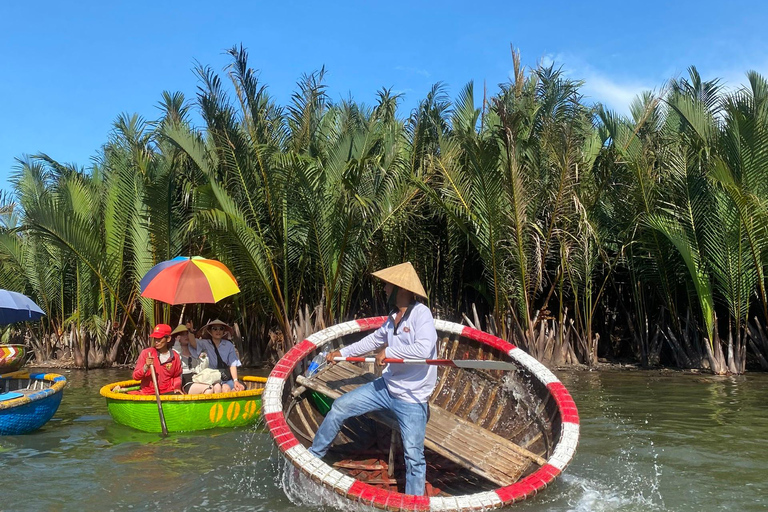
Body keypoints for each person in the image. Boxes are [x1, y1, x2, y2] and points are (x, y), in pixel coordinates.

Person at [308, 262, 437, 496]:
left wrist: (390, 353)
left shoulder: (421, 314)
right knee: (339, 407)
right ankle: (313, 456)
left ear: (402, 289)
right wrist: (342, 354)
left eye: (388, 285)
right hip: (386, 388)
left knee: (414, 456)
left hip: (412, 398)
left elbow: (425, 349)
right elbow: (373, 341)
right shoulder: (392, 318)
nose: (385, 289)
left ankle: (414, 503)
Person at [184, 319, 245, 393]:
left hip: (225, 377)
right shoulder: (204, 344)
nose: (218, 331)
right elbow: (193, 343)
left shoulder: (229, 345)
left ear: (224, 331)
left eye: (221, 329)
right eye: (214, 329)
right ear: (210, 331)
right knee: (225, 388)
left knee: (240, 388)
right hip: (212, 378)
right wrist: (190, 331)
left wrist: (235, 381)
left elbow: (232, 364)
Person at [131, 323, 182, 395]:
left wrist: (177, 387)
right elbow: (135, 376)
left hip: (167, 392)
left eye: (160, 338)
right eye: (155, 338)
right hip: (148, 392)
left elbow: (177, 376)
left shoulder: (175, 356)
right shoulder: (146, 353)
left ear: (168, 339)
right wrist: (146, 367)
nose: (156, 342)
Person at [171, 324, 208, 394]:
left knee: (216, 387)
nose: (186, 336)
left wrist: (204, 355)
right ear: (177, 337)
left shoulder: (194, 350)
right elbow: (176, 361)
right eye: (183, 334)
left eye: (187, 334)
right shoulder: (174, 351)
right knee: (208, 389)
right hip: (184, 380)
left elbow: (202, 366)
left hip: (197, 378)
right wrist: (177, 343)